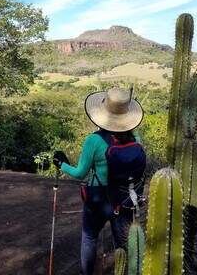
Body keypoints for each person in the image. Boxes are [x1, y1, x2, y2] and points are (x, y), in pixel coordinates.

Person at [53, 87, 146, 275]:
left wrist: (61, 164)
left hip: (98, 199)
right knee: (122, 244)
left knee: (89, 237)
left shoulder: (93, 141)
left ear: (102, 114)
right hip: (123, 199)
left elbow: (80, 173)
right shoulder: (135, 138)